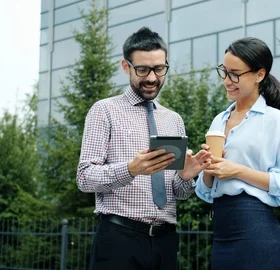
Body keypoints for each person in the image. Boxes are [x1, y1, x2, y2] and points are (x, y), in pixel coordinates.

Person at [76, 27, 212, 270]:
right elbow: (85, 177)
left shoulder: (173, 120)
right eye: (142, 69)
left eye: (159, 69)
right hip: (119, 239)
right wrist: (130, 169)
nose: (152, 78)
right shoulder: (104, 111)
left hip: (166, 242)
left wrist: (186, 175)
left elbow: (178, 193)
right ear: (126, 66)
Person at [195, 37, 280, 269]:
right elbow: (206, 191)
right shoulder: (219, 120)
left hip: (256, 230)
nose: (227, 80)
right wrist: (206, 167)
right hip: (222, 230)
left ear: (259, 74)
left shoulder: (273, 119)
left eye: (235, 73)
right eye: (224, 72)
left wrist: (237, 171)